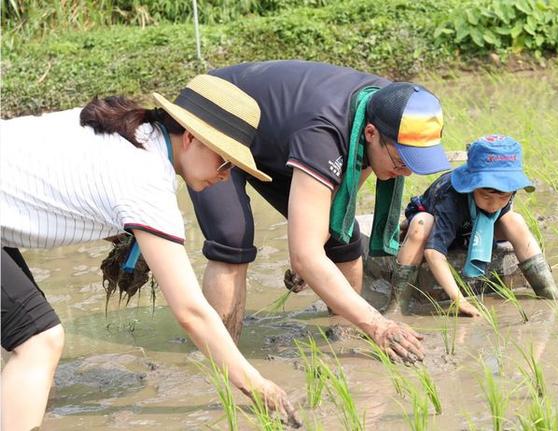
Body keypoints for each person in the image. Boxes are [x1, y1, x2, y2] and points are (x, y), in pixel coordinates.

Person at [0, 75, 300, 430]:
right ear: (191, 138)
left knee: (18, 336)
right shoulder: (146, 180)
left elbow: (64, 187)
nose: (226, 175)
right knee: (39, 341)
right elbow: (191, 312)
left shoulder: (134, 131)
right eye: (225, 162)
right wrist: (254, 383)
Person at [186, 60, 452, 364]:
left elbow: (339, 203)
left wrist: (309, 256)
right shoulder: (325, 134)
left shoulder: (387, 105)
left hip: (278, 135)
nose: (404, 173)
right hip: (217, 113)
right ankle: (221, 358)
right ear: (370, 133)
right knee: (232, 238)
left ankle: (344, 341)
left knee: (342, 238)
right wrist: (378, 324)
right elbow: (307, 254)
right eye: (401, 161)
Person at [388, 134, 558, 316]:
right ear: (471, 186)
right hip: (440, 222)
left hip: (473, 227)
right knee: (420, 224)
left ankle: (549, 292)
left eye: (503, 197)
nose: (494, 204)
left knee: (515, 221)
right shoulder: (451, 199)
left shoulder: (507, 193)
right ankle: (396, 306)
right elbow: (433, 253)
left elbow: (504, 212)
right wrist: (459, 300)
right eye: (486, 196)